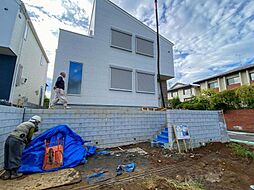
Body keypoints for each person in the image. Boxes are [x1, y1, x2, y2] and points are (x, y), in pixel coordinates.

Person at [0, 115, 41, 180]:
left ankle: (7, 174)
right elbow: (29, 137)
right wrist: (29, 143)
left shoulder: (24, 124)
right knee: (15, 156)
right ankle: (14, 173)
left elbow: (22, 135)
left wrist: (25, 141)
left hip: (9, 139)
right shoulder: (32, 126)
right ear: (36, 122)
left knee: (8, 155)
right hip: (16, 141)